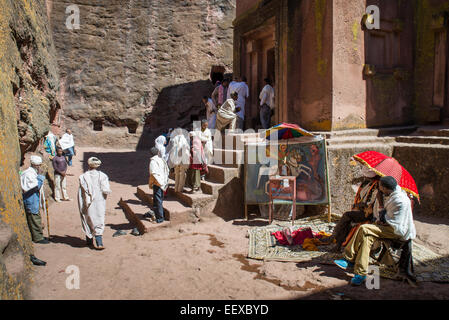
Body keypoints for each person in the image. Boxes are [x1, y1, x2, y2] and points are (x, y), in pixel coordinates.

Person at [334, 176, 416, 286]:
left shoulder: (398, 200)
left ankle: (348, 258)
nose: (379, 189)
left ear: (386, 188)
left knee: (364, 228)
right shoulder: (391, 194)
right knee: (366, 238)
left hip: (397, 231)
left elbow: (386, 220)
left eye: (381, 187)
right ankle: (360, 273)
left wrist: (381, 203)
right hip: (388, 226)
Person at [326, 166, 381, 252]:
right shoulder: (369, 184)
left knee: (347, 216)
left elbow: (371, 203)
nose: (365, 178)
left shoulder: (377, 186)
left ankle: (335, 237)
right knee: (347, 222)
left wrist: (359, 205)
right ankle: (338, 242)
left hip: (370, 214)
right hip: (365, 210)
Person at [78, 157, 111, 250]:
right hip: (99, 201)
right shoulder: (103, 176)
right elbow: (106, 190)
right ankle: (99, 242)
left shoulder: (83, 177)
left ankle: (89, 240)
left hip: (87, 202)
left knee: (87, 217)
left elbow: (80, 193)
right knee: (99, 218)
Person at [21, 155, 49, 244]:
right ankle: (38, 237)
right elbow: (35, 186)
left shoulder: (32, 172)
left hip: (34, 199)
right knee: (34, 218)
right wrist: (40, 176)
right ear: (34, 164)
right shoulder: (29, 174)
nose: (39, 167)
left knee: (36, 217)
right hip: (31, 199)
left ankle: (38, 235)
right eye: (38, 165)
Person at [149, 147, 170, 223]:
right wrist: (165, 182)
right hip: (163, 182)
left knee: (157, 201)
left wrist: (156, 183)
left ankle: (160, 218)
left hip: (158, 183)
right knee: (159, 200)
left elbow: (153, 174)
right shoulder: (162, 160)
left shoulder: (153, 162)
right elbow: (167, 170)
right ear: (158, 153)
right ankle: (159, 215)